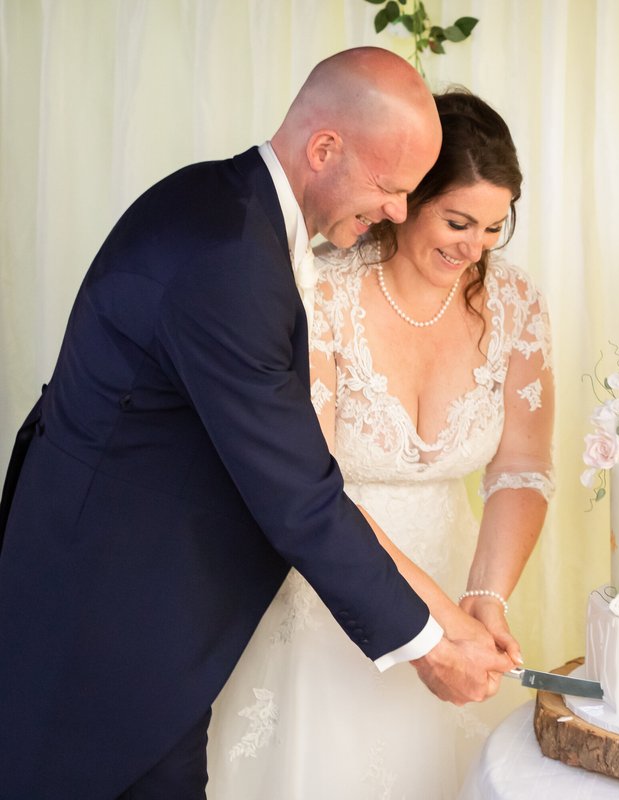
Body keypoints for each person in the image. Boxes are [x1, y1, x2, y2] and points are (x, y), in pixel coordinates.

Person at [0, 48, 514, 800]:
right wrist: (430, 643)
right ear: (324, 147)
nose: (399, 213)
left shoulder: (233, 212)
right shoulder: (227, 256)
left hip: (152, 619)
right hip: (99, 623)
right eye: (390, 187)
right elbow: (298, 492)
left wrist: (452, 614)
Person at [206, 89, 554, 798]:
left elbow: (520, 466)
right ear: (404, 202)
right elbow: (311, 485)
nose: (475, 247)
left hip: (454, 576)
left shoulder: (515, 303)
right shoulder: (321, 293)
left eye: (495, 227)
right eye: (458, 221)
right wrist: (437, 623)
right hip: (326, 587)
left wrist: (485, 595)